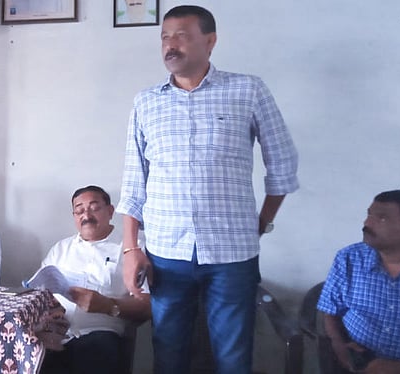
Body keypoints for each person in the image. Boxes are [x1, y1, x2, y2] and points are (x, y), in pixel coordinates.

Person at [116, 5, 299, 373]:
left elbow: (282, 162)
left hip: (232, 254)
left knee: (232, 358)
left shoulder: (247, 90)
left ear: (210, 41)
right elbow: (134, 181)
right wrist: (131, 248)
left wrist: (260, 223)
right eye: (165, 37)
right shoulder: (147, 102)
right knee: (168, 354)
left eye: (181, 35)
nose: (170, 45)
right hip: (167, 253)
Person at [317, 190, 400, 374]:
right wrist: (339, 345)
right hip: (359, 365)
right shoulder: (348, 259)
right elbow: (330, 312)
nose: (367, 223)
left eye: (381, 218)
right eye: (369, 214)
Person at [39, 186, 151, 374]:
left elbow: (147, 305)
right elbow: (40, 291)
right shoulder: (60, 249)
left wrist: (108, 305)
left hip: (101, 335)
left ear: (110, 211)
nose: (86, 215)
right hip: (57, 335)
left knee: (95, 353)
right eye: (79, 210)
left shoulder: (132, 249)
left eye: (94, 207)